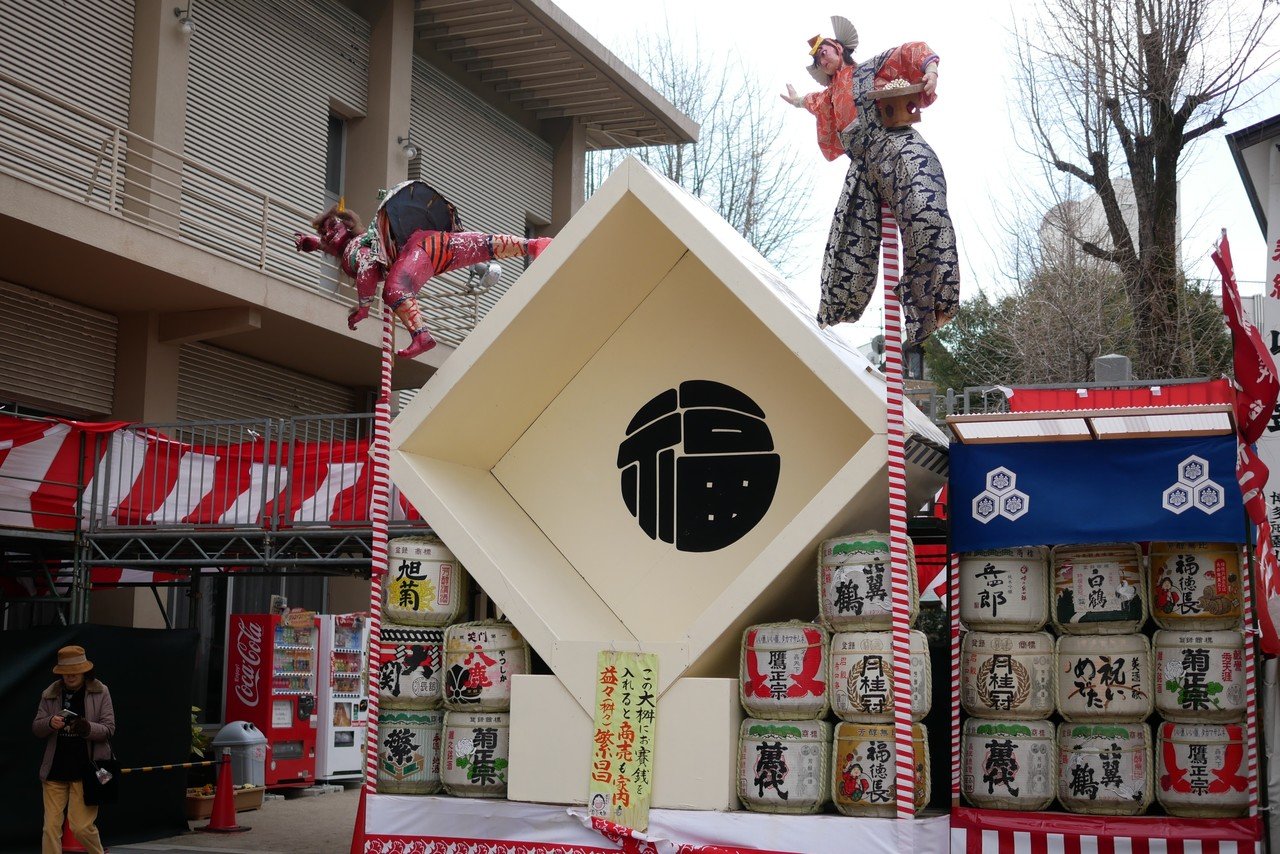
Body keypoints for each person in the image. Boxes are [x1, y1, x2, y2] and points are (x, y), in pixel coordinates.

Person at [781, 15, 960, 345]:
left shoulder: (870, 69)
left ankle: (932, 302)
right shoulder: (829, 96)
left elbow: (908, 52)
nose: (822, 60)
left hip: (892, 145)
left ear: (840, 49)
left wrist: (931, 70)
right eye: (818, 60)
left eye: (824, 52)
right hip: (862, 166)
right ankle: (837, 308)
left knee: (927, 209)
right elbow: (812, 102)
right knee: (848, 242)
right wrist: (797, 101)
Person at [295, 182, 551, 359]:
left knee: (395, 289)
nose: (328, 234)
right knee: (474, 245)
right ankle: (532, 245)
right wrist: (315, 243)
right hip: (422, 245)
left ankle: (421, 335)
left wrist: (363, 309)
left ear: (347, 224)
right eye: (324, 233)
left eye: (332, 227)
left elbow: (367, 268)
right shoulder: (352, 246)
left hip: (417, 249)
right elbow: (339, 248)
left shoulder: (356, 247)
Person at [32, 645, 116, 854]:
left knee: (81, 827)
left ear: (84, 670)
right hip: (55, 769)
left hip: (88, 769)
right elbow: (37, 727)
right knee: (50, 828)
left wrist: (86, 727)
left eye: (75, 671)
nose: (70, 676)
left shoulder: (100, 691)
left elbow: (109, 729)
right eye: (65, 672)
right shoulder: (50, 694)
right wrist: (50, 722)